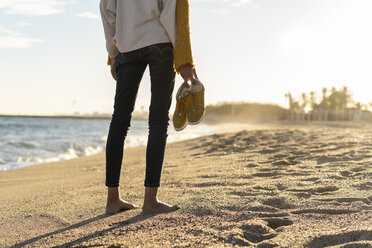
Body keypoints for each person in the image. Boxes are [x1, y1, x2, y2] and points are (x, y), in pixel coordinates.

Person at [100, 0, 197, 215]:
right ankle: (150, 201)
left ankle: (112, 200)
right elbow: (174, 10)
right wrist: (185, 62)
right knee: (158, 121)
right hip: (160, 42)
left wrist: (113, 52)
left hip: (127, 45)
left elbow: (106, 9)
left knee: (119, 121)